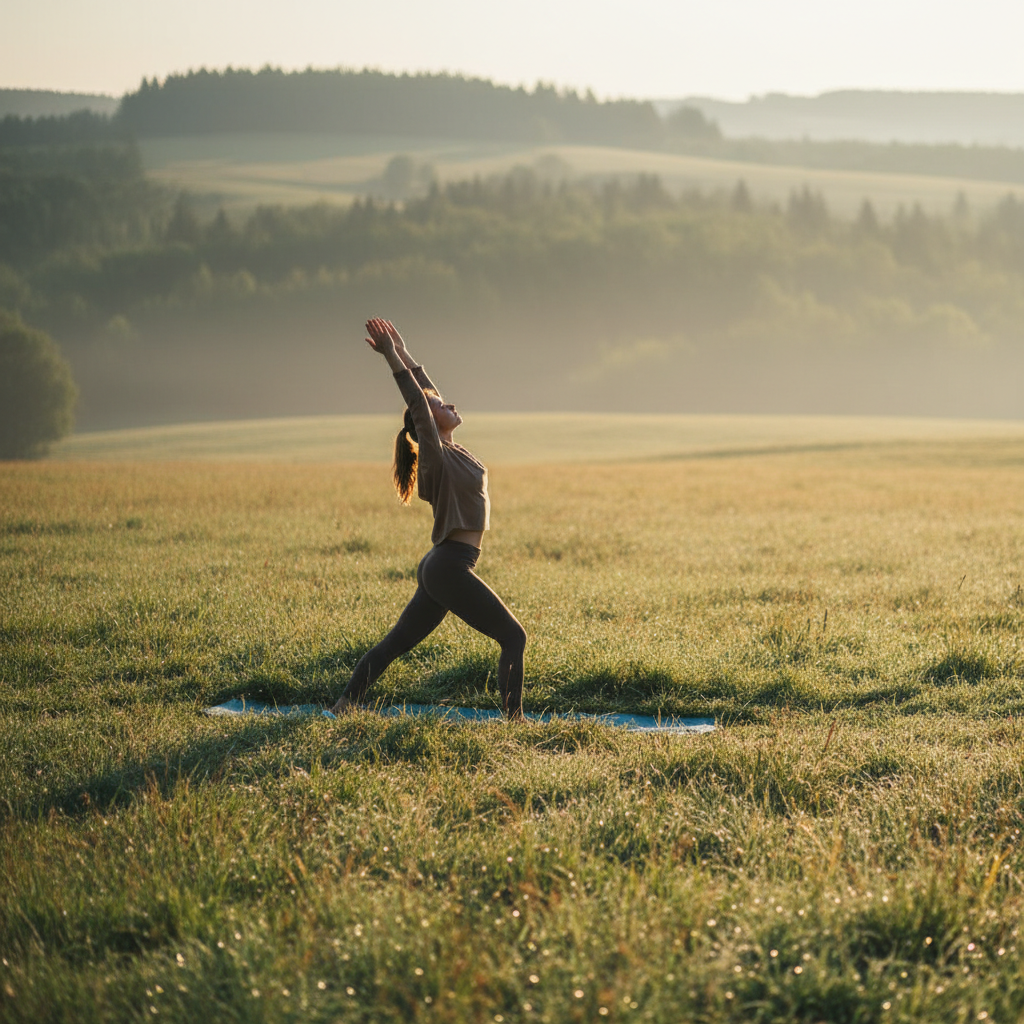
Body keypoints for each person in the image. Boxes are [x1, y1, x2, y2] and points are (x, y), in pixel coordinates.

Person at [331, 318, 527, 719]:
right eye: (441, 406)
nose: (449, 405)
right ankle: (515, 723)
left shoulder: (456, 451)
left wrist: (405, 350)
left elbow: (428, 396)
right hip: (449, 565)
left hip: (444, 564)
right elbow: (420, 403)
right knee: (513, 636)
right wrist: (391, 359)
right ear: (427, 426)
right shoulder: (435, 457)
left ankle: (344, 704)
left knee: (397, 642)